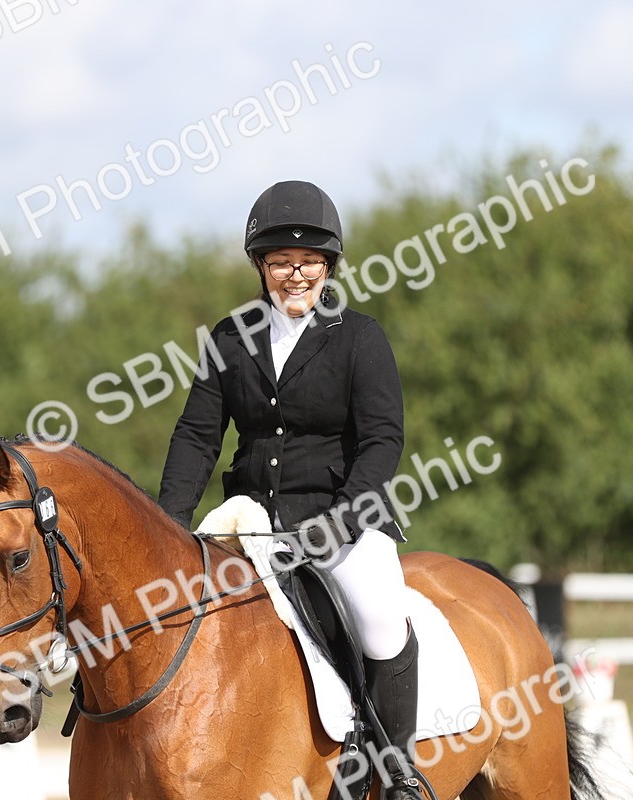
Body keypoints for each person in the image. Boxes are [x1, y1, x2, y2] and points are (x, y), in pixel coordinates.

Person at [158, 180, 419, 797]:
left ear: (328, 266)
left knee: (381, 618)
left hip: (339, 522)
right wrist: (168, 523)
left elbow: (382, 439)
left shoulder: (359, 337)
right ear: (261, 266)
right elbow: (197, 438)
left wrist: (343, 519)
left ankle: (397, 771)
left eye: (308, 261)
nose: (295, 274)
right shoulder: (230, 338)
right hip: (249, 521)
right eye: (280, 261)